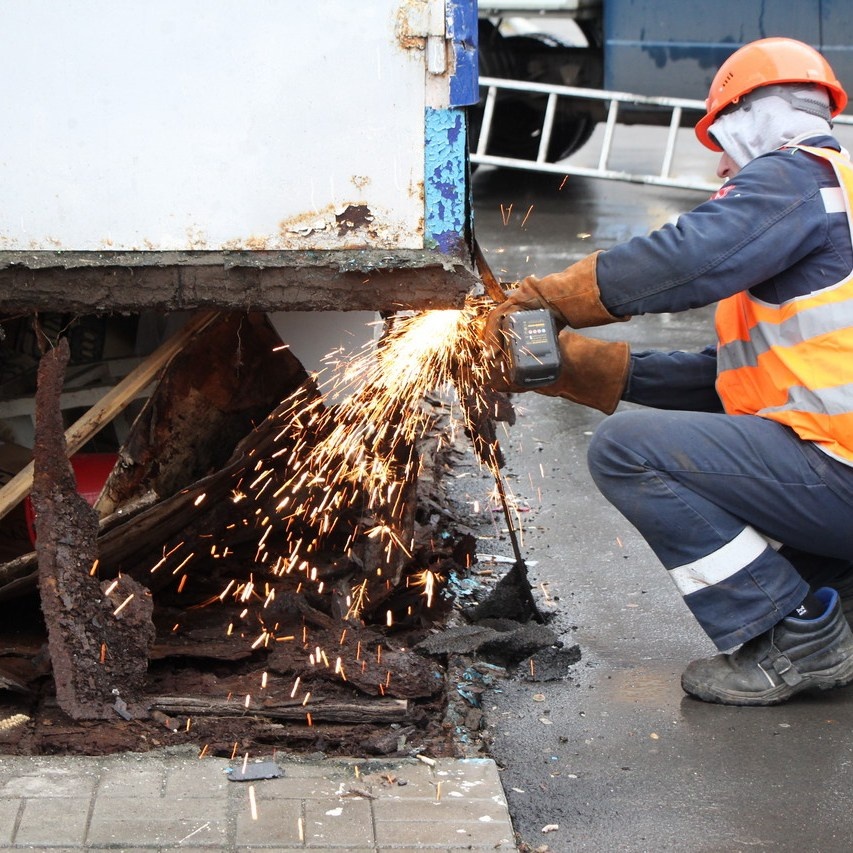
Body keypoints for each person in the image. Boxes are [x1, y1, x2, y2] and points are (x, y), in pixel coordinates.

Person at [484, 37, 853, 706]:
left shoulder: (793, 180)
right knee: (736, 471)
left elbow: (686, 259)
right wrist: (586, 370)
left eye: (722, 137)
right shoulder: (837, 191)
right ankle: (834, 605)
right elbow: (730, 379)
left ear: (747, 116)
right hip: (840, 471)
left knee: (628, 455)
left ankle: (789, 638)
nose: (722, 162)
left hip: (842, 476)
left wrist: (556, 297)